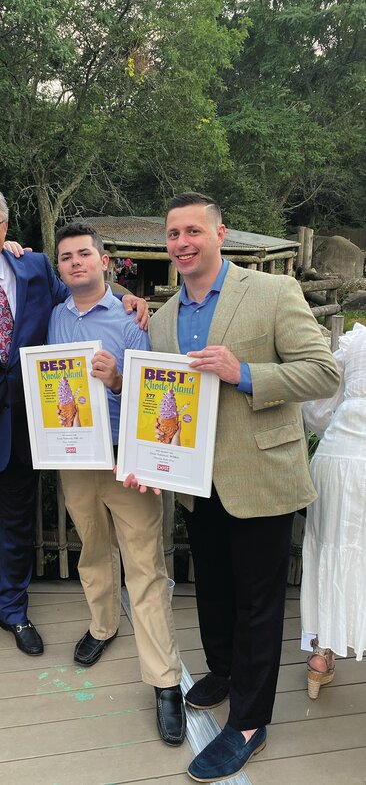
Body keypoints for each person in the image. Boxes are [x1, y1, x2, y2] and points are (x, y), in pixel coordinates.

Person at [125, 192, 339, 782]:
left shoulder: (270, 293)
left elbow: (324, 371)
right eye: (173, 234)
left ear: (221, 235)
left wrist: (243, 373)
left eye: (193, 230)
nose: (182, 243)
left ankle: (249, 721)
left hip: (260, 476)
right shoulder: (165, 318)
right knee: (213, 589)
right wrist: (148, 456)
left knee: (258, 602)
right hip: (194, 482)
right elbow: (159, 399)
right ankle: (223, 671)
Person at [0, 183, 148, 669]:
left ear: (5, 226)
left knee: (19, 532)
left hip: (28, 436)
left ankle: (14, 613)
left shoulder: (36, 269)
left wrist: (129, 297)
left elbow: (86, 289)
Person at [47, 222, 186, 746]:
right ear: (59, 267)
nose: (76, 262)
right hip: (75, 458)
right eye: (66, 257)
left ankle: (164, 681)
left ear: (105, 262)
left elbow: (157, 388)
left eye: (85, 254)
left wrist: (119, 378)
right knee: (92, 548)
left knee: (145, 564)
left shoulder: (131, 317)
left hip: (126, 459)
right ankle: (103, 626)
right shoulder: (54, 316)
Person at [300, 322, 366, 698]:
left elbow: (318, 410)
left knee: (328, 549)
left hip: (339, 456)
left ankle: (321, 655)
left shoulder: (357, 341)